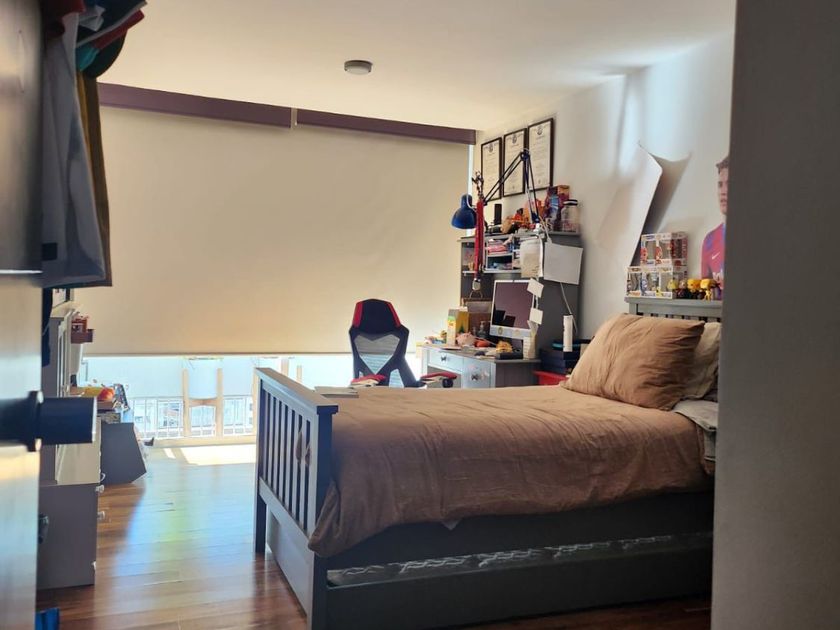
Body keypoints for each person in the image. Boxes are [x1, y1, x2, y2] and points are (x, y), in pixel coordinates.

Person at [701, 155, 728, 291]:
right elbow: (705, 292)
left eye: (730, 184)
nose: (723, 191)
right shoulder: (709, 240)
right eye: (720, 185)